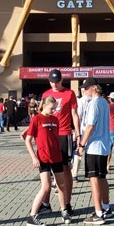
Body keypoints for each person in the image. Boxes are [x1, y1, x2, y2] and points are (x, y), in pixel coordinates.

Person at [24, 95, 69, 226]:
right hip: (43, 158)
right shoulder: (37, 119)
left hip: (56, 156)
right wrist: (34, 157)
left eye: (55, 109)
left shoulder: (55, 119)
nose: (53, 111)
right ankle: (32, 216)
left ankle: (64, 210)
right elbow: (28, 140)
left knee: (61, 184)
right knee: (46, 187)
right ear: (44, 105)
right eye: (51, 108)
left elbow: (54, 137)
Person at [41, 69, 81, 217]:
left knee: (65, 169)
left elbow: (74, 115)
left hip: (64, 134)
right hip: (48, 135)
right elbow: (41, 115)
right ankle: (45, 204)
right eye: (52, 81)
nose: (54, 84)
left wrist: (78, 133)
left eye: (57, 81)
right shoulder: (45, 94)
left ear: (61, 80)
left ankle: (67, 203)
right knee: (46, 169)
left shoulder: (69, 94)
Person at [77, 78, 112, 224]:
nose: (84, 91)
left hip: (94, 145)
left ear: (93, 88)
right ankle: (106, 207)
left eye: (86, 88)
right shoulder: (105, 102)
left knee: (94, 179)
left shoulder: (94, 104)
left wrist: (81, 144)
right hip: (104, 145)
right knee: (102, 177)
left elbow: (90, 126)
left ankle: (98, 213)